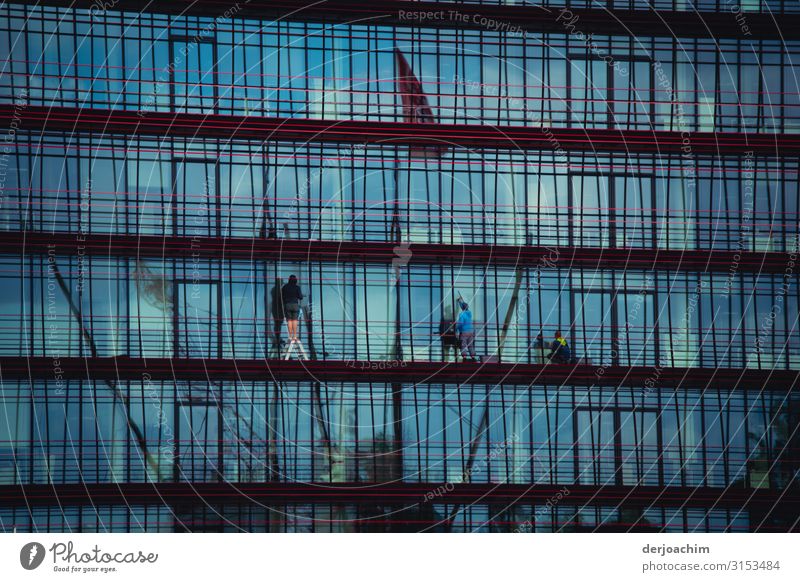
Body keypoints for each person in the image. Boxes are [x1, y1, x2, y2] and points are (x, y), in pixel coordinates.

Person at [281, 275, 304, 344]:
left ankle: (290, 336)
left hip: (287, 304)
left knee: (289, 320)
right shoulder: (297, 287)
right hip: (295, 305)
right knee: (294, 320)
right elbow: (300, 297)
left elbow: (282, 296)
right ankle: (294, 336)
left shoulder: (285, 287)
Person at [456, 298, 477, 362]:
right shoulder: (469, 314)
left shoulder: (461, 314)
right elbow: (464, 306)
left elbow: (460, 323)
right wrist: (460, 302)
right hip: (471, 331)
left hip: (464, 331)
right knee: (470, 345)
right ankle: (473, 357)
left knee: (463, 344)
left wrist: (456, 329)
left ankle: (464, 357)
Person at [270, 277, 284, 353]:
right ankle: (277, 337)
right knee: (278, 323)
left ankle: (277, 337)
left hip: (275, 308)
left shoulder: (273, 289)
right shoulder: (280, 290)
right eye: (282, 282)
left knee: (277, 323)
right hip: (278, 308)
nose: (283, 283)